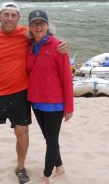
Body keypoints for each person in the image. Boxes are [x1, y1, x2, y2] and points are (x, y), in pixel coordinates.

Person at [0, 2, 68, 184]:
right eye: (6, 14)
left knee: (22, 132)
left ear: (18, 18)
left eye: (13, 15)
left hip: (20, 94)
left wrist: (63, 44)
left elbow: (45, 34)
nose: (10, 18)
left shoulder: (25, 33)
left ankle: (20, 168)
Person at [26, 10, 74, 184]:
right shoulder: (28, 45)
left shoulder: (58, 46)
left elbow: (67, 78)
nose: (38, 27)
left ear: (47, 25)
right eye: (34, 23)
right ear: (30, 26)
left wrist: (69, 107)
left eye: (41, 23)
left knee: (51, 141)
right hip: (36, 102)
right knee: (49, 138)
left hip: (54, 104)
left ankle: (46, 176)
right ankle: (59, 167)